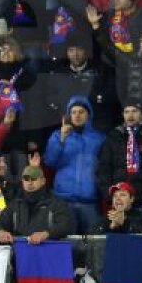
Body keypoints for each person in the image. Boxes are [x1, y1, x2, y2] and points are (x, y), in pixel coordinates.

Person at [44, 96, 105, 233]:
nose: (77, 115)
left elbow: (106, 168)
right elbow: (50, 162)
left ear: (89, 114)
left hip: (90, 202)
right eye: (73, 112)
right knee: (66, 245)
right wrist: (61, 140)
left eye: (81, 112)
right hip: (64, 201)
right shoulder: (57, 135)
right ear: (69, 115)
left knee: (93, 245)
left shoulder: (100, 139)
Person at [0, 163, 72, 242]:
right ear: (22, 181)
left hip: (47, 250)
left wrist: (46, 234)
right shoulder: (15, 204)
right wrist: (0, 232)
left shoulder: (56, 203)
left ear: (43, 181)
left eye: (34, 179)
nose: (30, 183)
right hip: (20, 250)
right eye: (26, 179)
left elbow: (65, 225)